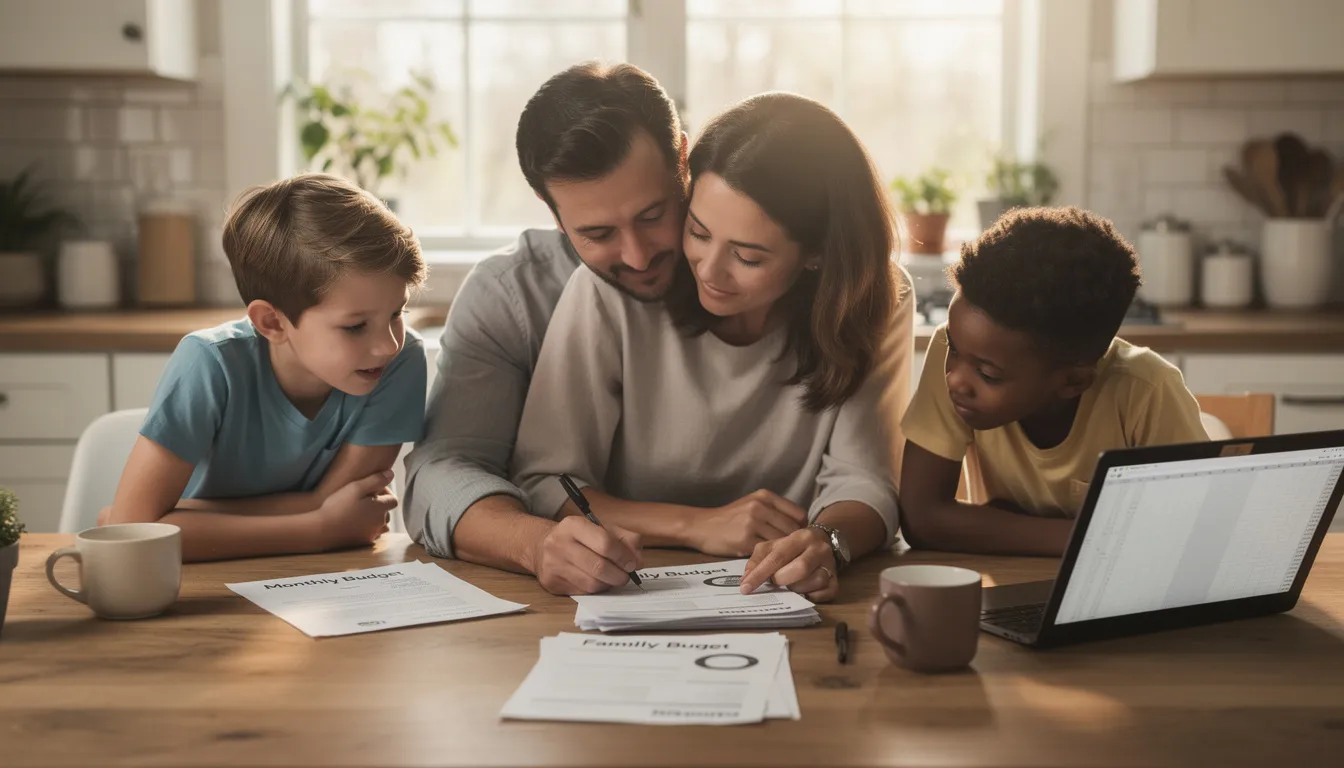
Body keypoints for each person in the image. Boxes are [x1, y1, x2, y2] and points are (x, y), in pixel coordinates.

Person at [510, 92, 914, 602]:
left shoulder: (875, 298)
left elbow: (866, 480)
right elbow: (547, 482)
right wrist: (696, 526)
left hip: (782, 594)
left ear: (815, 254)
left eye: (747, 256)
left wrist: (825, 543)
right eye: (697, 231)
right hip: (626, 589)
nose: (707, 269)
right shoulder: (615, 291)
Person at [403, 62, 689, 594]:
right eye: (598, 232)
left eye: (653, 215)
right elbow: (439, 473)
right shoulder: (508, 296)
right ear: (553, 212)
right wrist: (534, 544)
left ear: (684, 163)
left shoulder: (745, 264)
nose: (638, 255)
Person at [106, 174, 428, 562]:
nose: (388, 343)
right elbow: (136, 532)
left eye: (397, 313)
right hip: (203, 585)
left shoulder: (397, 362)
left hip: (331, 577)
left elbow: (349, 504)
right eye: (355, 326)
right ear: (272, 323)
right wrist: (319, 528)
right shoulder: (209, 363)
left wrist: (181, 520)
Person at [899, 206, 1208, 557]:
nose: (955, 380)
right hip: (1005, 585)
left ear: (1074, 381)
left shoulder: (1147, 390)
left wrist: (993, 524)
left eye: (988, 375)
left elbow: (1191, 529)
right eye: (954, 350)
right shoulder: (958, 353)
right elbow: (922, 517)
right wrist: (1095, 536)